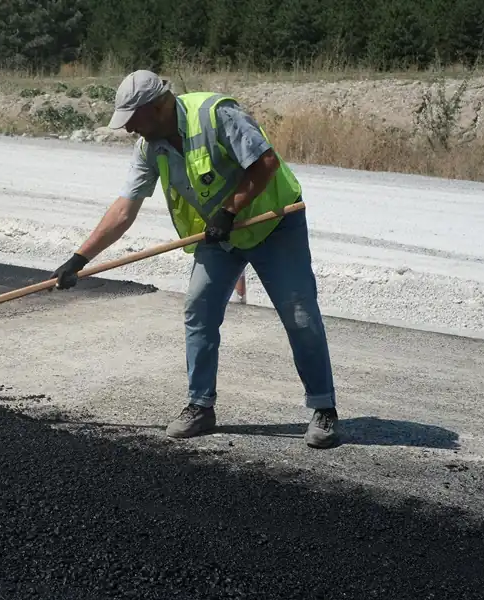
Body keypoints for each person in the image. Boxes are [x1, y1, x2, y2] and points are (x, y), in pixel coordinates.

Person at [51, 70, 338, 449]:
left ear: (156, 108)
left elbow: (265, 163)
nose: (128, 131)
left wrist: (230, 210)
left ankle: (324, 410)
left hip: (274, 225)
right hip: (219, 237)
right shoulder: (149, 146)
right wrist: (79, 258)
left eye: (132, 121)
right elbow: (124, 209)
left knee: (299, 314)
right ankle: (200, 406)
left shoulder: (217, 114)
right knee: (199, 310)